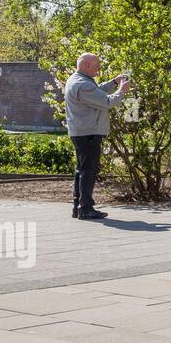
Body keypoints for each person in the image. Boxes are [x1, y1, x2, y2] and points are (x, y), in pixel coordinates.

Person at [63, 53, 131, 221]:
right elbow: (107, 102)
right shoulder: (83, 85)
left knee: (81, 170)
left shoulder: (77, 80)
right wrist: (121, 91)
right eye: (96, 65)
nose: (99, 69)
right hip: (88, 133)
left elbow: (97, 92)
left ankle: (78, 207)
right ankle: (85, 208)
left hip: (81, 132)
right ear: (86, 65)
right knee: (88, 171)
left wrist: (113, 83)